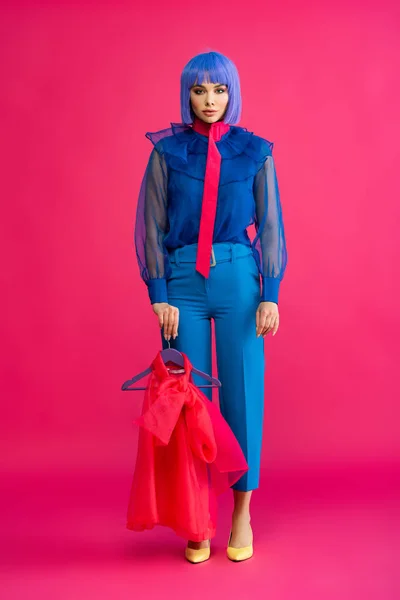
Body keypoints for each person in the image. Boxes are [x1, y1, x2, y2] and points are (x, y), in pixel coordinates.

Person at [134, 50, 288, 563]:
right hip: (182, 282)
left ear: (232, 93)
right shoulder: (168, 153)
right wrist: (159, 296)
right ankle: (196, 514)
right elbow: (150, 226)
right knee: (187, 403)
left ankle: (241, 511)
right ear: (187, 95)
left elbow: (270, 228)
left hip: (239, 278)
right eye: (199, 90)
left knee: (243, 397)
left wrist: (270, 294)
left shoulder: (255, 152)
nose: (209, 100)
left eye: (219, 90)